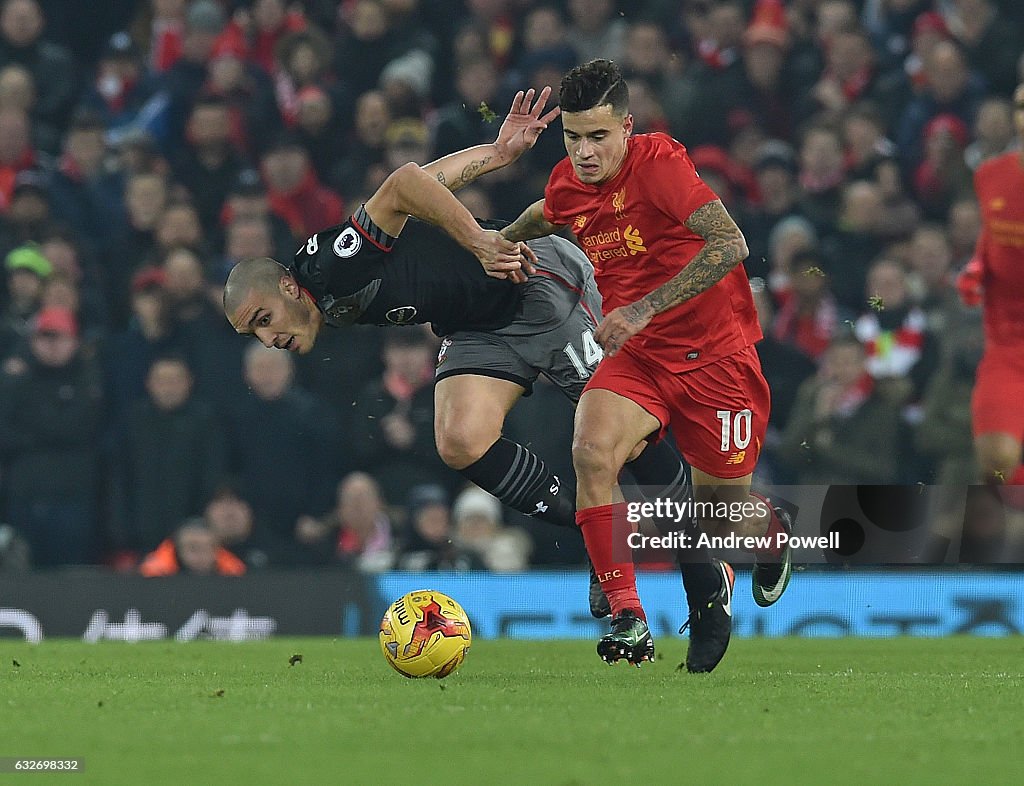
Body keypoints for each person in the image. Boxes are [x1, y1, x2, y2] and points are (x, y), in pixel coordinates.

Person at [223, 88, 732, 672]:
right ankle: (597, 544)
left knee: (634, 444)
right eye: (253, 335)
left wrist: (481, 238)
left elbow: (406, 181)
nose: (269, 339)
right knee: (461, 439)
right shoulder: (322, 278)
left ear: (287, 288)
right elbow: (412, 195)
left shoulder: (329, 269)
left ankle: (706, 579)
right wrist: (493, 152)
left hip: (536, 287)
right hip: (474, 325)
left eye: (263, 321)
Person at [499, 60, 793, 665]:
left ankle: (769, 531)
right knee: (591, 450)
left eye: (598, 136)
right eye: (573, 137)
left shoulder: (658, 167)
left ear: (626, 128)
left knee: (713, 522)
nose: (584, 152)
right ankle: (628, 615)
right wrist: (497, 242)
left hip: (716, 359)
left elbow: (731, 243)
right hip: (639, 358)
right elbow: (544, 214)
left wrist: (643, 308)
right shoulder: (568, 182)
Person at [957, 82, 1024, 490]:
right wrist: (977, 269)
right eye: (1020, 105)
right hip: (1008, 346)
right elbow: (991, 241)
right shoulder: (990, 176)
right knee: (996, 466)